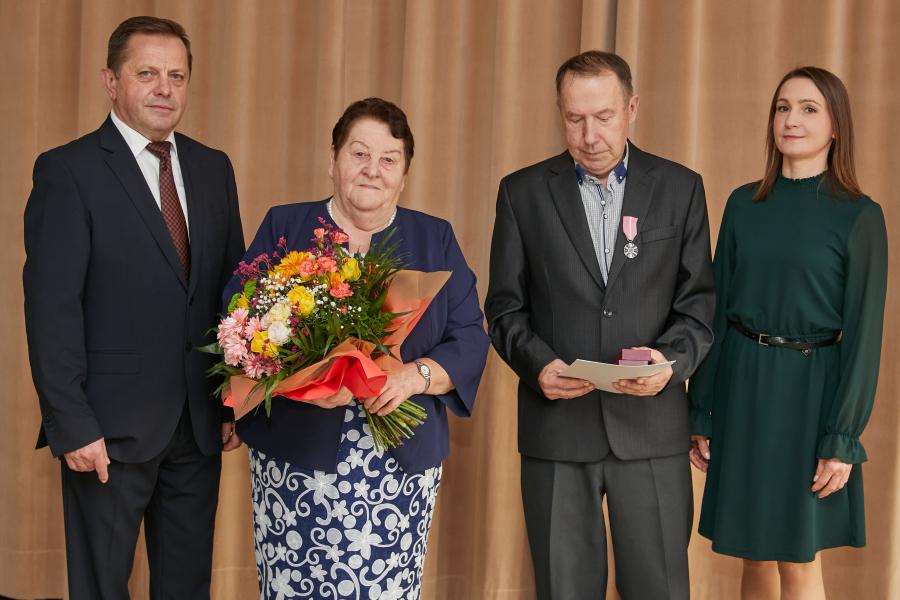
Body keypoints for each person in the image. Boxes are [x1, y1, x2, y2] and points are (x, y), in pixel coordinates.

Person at [223, 97, 490, 599]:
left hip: (399, 461)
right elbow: (240, 320)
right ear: (333, 159)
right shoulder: (286, 227)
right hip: (295, 458)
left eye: (389, 159)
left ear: (404, 173)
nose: (373, 170)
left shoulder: (434, 238)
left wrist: (414, 377)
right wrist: (305, 380)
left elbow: (471, 337)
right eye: (359, 153)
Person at [23, 16, 245, 599]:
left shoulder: (213, 168)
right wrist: (71, 423)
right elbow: (51, 310)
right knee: (101, 588)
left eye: (177, 76)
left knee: (186, 587)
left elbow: (233, 296)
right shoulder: (68, 171)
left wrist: (233, 400)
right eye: (147, 74)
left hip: (198, 427)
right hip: (106, 431)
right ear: (111, 81)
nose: (164, 89)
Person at [485, 50, 715, 599]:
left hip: (652, 430)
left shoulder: (681, 188)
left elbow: (698, 305)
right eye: (575, 119)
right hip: (557, 432)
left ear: (631, 108)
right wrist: (539, 367)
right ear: (560, 113)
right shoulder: (521, 193)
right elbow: (504, 308)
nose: (589, 136)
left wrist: (671, 362)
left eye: (604, 117)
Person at [688, 66, 888, 599]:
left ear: (836, 126)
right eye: (782, 108)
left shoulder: (860, 216)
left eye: (808, 108)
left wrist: (841, 438)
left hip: (811, 397)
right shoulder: (742, 204)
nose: (791, 120)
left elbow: (864, 339)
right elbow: (716, 312)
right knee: (752, 555)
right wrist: (701, 410)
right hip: (743, 389)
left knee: (798, 561)